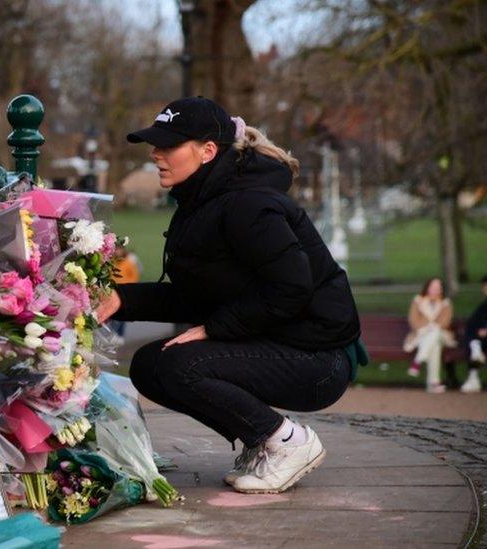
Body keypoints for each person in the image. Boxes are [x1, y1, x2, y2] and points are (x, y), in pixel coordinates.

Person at [96, 97, 364, 494]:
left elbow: (292, 288)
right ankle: (263, 442)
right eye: (156, 145)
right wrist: (122, 300)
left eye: (168, 145)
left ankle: (288, 442)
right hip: (278, 341)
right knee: (151, 365)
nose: (156, 153)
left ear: (207, 151)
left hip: (318, 359)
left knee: (179, 367)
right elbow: (199, 296)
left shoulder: (248, 203)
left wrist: (213, 329)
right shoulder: (201, 201)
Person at [403, 277, 456, 393]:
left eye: (438, 287)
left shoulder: (445, 303)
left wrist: (434, 327)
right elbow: (413, 320)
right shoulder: (418, 301)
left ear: (441, 289)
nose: (436, 289)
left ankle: (417, 361)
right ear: (427, 287)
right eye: (433, 286)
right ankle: (433, 383)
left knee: (436, 332)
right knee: (435, 345)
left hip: (442, 335)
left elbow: (446, 321)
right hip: (422, 335)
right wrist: (427, 327)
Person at [460, 275, 487, 393]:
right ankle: (473, 378)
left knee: (473, 340)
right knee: (471, 331)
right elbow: (472, 323)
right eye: (485, 286)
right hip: (483, 340)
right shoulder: (483, 306)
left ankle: (473, 378)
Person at [109, 244, 141, 337]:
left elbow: (134, 276)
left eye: (119, 250)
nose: (117, 252)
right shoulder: (112, 262)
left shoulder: (128, 262)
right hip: (113, 290)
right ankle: (113, 334)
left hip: (125, 291)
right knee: (112, 313)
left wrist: (129, 285)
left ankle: (119, 335)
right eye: (116, 250)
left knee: (121, 314)